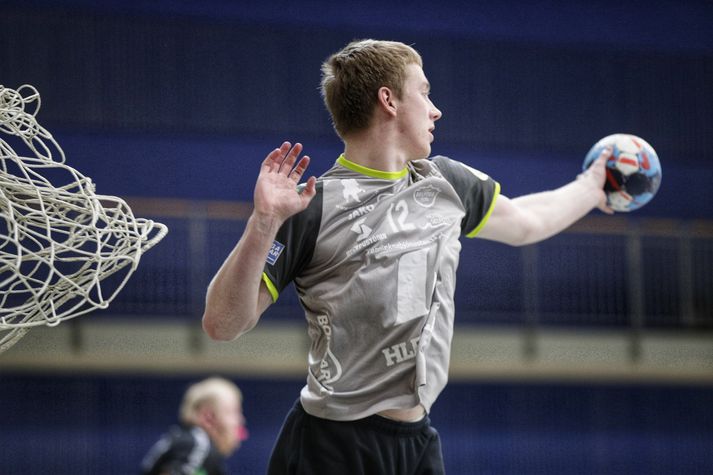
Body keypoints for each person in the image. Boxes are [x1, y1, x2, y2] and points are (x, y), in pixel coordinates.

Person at [202, 39, 612, 474]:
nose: (436, 110)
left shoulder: (447, 182)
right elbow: (222, 325)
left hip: (415, 444)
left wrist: (592, 185)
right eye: (425, 92)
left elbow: (529, 221)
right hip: (331, 445)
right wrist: (263, 222)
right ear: (389, 100)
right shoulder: (311, 206)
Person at [140, 377, 248, 475]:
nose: (241, 420)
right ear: (208, 417)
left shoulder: (184, 441)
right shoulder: (199, 446)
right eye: (235, 412)